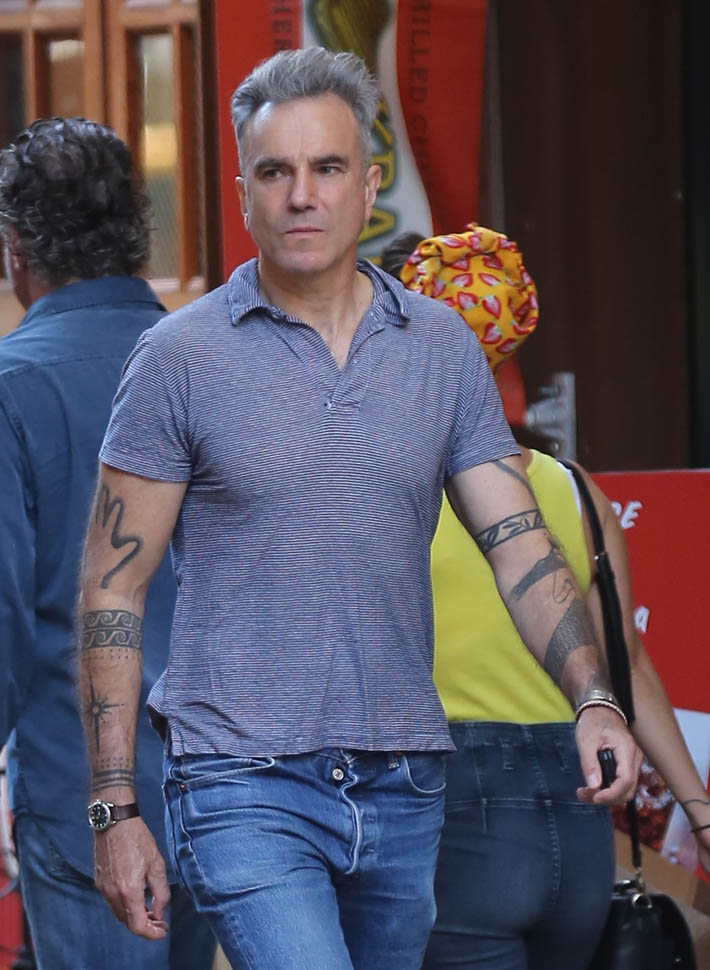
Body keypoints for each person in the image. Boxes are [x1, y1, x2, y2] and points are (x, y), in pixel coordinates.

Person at [76, 48, 640, 970]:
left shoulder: (440, 349)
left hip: (404, 782)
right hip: (239, 779)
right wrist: (113, 807)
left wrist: (595, 696)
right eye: (275, 172)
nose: (302, 195)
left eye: (327, 168)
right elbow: (112, 589)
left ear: (369, 186)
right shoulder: (179, 358)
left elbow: (520, 547)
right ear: (244, 195)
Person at [382, 223, 710, 970]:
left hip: (452, 813)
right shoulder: (573, 489)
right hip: (578, 812)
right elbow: (626, 664)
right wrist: (699, 809)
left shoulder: (387, 485)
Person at [0, 117, 215, 970]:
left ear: (17, 245)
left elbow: (5, 617)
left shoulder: (13, 386)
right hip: (232, 788)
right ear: (137, 229)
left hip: (81, 792)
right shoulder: (216, 365)